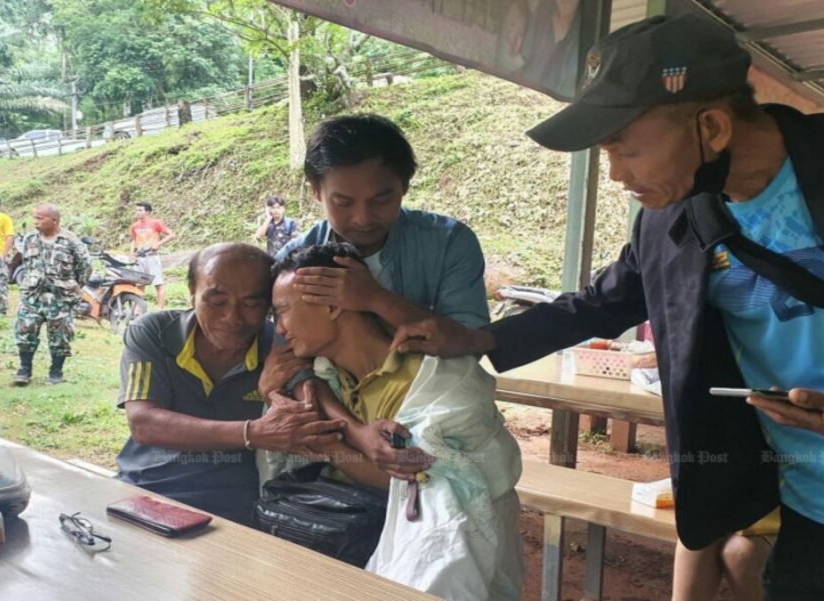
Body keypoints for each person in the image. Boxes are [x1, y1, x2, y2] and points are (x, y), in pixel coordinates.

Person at [391, 14, 824, 600]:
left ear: (711, 127)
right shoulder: (674, 219)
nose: (613, 173)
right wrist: (478, 338)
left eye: (624, 149)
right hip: (816, 511)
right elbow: (600, 304)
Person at [272, 243, 523, 600]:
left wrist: (325, 444)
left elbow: (420, 487)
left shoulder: (430, 382)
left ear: (332, 305)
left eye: (282, 311)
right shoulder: (318, 374)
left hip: (409, 554)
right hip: (337, 537)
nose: (279, 329)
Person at [261, 114, 489, 477]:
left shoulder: (447, 243)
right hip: (343, 448)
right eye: (343, 202)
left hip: (433, 424)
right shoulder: (297, 261)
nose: (363, 217)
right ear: (316, 191)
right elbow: (291, 366)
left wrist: (375, 299)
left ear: (405, 186)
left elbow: (470, 342)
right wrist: (354, 430)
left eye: (382, 199)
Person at [115, 243, 345, 526]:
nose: (232, 318)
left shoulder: (280, 342)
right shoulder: (155, 332)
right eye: (217, 301)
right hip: (145, 490)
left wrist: (360, 433)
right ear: (192, 293)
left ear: (269, 306)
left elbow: (311, 396)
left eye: (251, 304)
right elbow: (144, 423)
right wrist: (252, 433)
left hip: (234, 508)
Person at [12, 203, 92, 386]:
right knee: (25, 331)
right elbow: (27, 264)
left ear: (54, 220)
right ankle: (24, 370)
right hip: (33, 295)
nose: (35, 222)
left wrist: (71, 286)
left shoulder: (70, 241)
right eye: (34, 218)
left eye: (40, 218)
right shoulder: (30, 239)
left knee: (60, 337)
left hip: (60, 298)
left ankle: (56, 372)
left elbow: (85, 267)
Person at [127, 201, 176, 310]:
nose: (137, 212)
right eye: (136, 210)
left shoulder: (156, 223)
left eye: (140, 210)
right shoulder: (134, 226)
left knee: (158, 284)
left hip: (151, 256)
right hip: (139, 258)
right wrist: (131, 253)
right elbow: (133, 240)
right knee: (140, 284)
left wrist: (158, 243)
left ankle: (160, 310)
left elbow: (172, 235)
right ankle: (138, 310)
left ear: (148, 212)